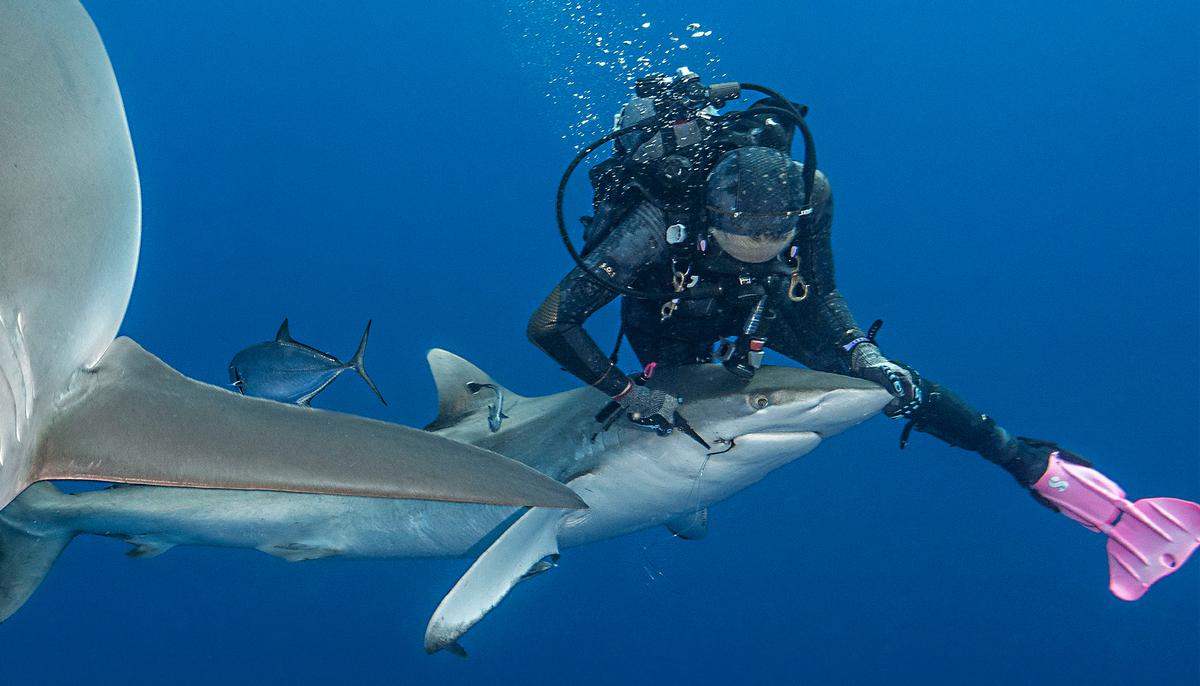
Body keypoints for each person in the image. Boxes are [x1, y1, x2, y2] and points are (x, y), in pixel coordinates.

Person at [528, 69, 1199, 600]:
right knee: (660, 432)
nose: (752, 252)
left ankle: (1024, 460)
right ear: (710, 217)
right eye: (739, 243)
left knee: (887, 381)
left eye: (770, 243)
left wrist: (862, 352)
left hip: (759, 308)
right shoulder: (656, 220)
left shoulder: (811, 192)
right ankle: (645, 507)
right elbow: (550, 322)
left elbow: (817, 295)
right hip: (668, 307)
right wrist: (624, 389)